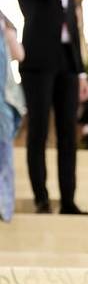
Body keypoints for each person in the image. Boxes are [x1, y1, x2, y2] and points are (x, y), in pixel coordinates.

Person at [12, 0, 88, 215]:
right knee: (38, 131)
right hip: (37, 63)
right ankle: (41, 198)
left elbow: (73, 28)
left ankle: (68, 201)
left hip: (67, 62)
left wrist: (81, 72)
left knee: (68, 132)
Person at [0, 13, 25, 222]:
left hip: (3, 99)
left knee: (5, 154)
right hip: (4, 101)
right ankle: (4, 205)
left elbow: (19, 54)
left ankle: (4, 205)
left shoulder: (4, 26)